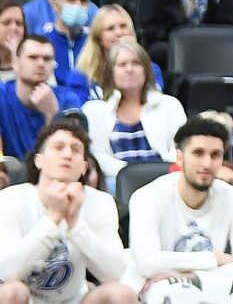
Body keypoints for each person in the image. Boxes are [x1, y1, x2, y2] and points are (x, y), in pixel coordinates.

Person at [125, 116, 233, 296]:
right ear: (179, 157)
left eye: (215, 155)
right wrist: (213, 259)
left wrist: (192, 276)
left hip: (208, 287)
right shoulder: (147, 196)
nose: (207, 164)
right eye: (198, 153)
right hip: (154, 290)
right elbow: (147, 263)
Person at [0, 117, 133, 304]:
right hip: (28, 299)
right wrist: (54, 217)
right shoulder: (10, 199)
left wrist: (75, 224)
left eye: (76, 149)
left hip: (77, 300)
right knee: (10, 292)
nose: (68, 154)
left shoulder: (101, 202)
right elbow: (7, 272)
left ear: (83, 167)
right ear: (39, 160)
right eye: (58, 147)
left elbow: (115, 272)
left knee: (122, 294)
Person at [79, 41, 182, 183]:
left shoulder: (170, 105)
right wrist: (133, 176)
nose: (129, 69)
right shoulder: (94, 110)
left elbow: (179, 148)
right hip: (118, 181)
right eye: (122, 65)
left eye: (136, 63)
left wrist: (159, 174)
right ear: (111, 72)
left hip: (164, 178)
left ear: (146, 70)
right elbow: (99, 156)